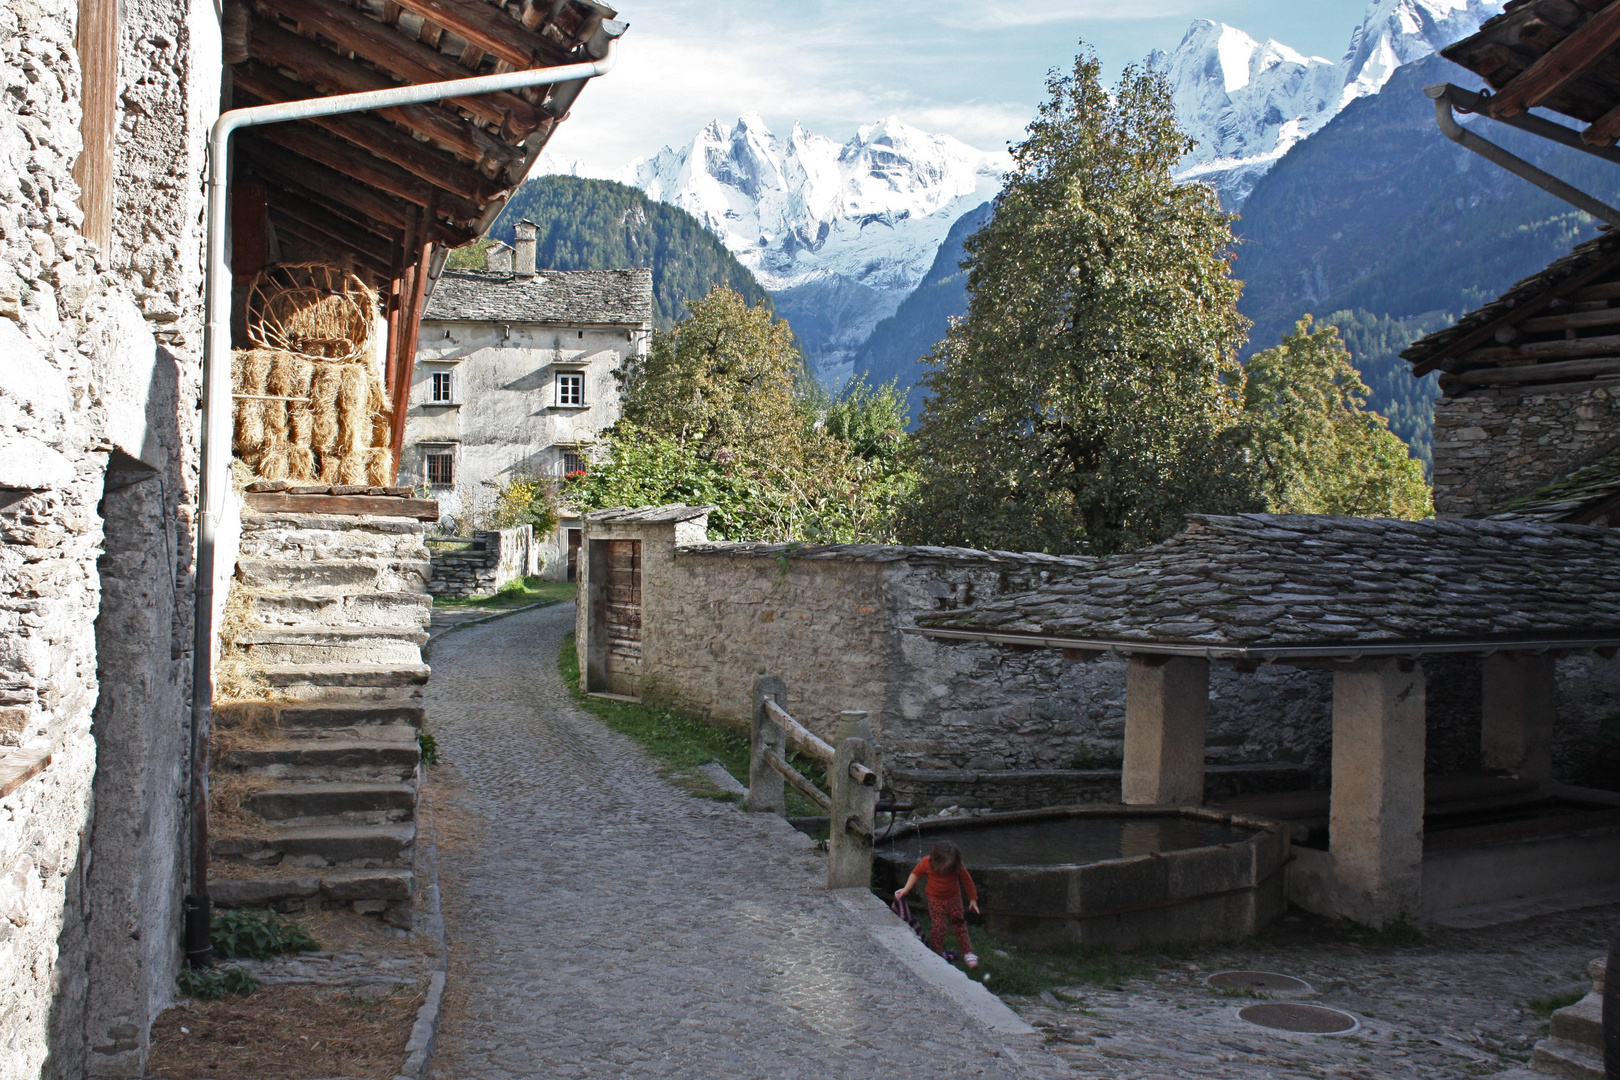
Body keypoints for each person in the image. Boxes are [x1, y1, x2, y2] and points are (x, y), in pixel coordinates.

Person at [894, 840, 981, 970]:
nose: (946, 871)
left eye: (949, 869)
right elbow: (915, 874)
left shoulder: (957, 865)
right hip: (935, 901)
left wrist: (972, 899)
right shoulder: (926, 862)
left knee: (959, 924)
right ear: (935, 861)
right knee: (939, 927)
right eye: (944, 869)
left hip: (954, 899)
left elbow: (967, 880)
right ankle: (936, 952)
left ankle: (968, 952)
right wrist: (906, 889)